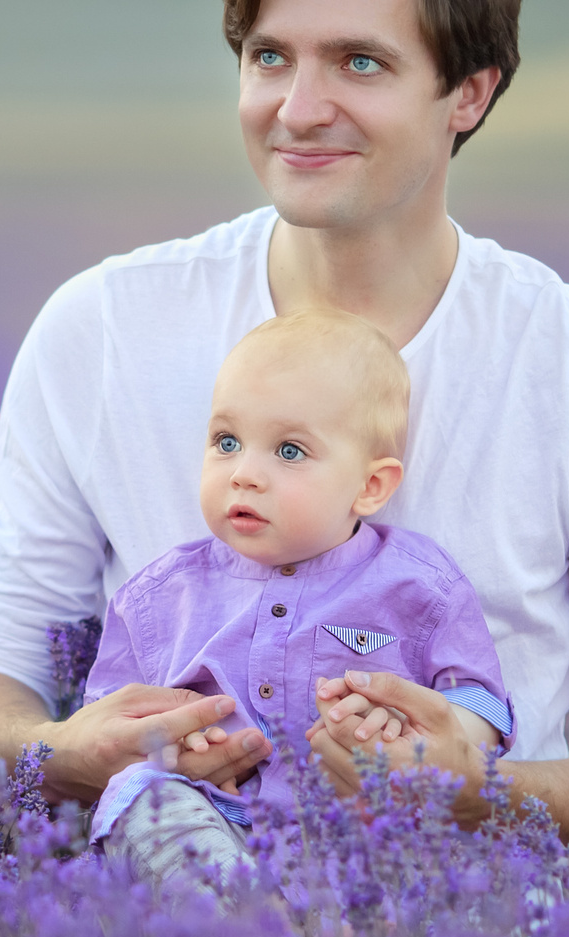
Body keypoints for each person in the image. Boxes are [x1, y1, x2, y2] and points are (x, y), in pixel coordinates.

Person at [0, 0, 569, 858]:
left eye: (359, 63)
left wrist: (483, 791)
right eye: (270, 57)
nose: (298, 108)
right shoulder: (102, 329)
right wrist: (62, 751)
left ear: (469, 94)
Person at [82, 307, 515, 888]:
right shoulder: (162, 595)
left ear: (369, 486)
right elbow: (108, 721)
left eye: (288, 451)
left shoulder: (417, 586)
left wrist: (430, 737)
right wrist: (167, 742)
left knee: (496, 867)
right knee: (141, 799)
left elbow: (481, 701)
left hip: (365, 830)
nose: (245, 474)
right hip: (215, 820)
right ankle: (230, 927)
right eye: (226, 441)